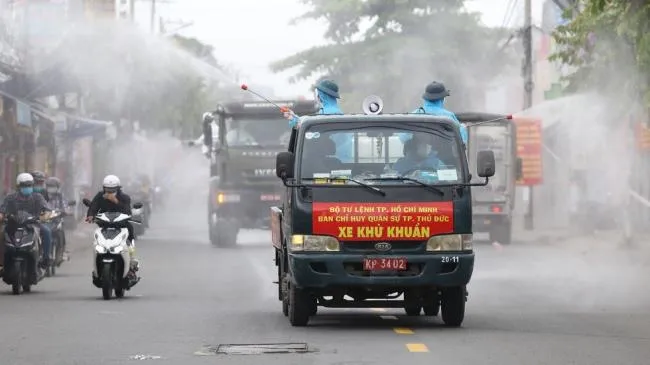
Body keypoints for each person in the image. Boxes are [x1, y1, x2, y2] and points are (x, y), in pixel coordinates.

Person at [284, 79, 353, 162]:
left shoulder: (326, 113)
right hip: (344, 162)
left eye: (318, 94)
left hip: (331, 162)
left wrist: (295, 120)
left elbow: (312, 132)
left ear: (322, 95)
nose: (317, 97)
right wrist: (294, 118)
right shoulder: (338, 112)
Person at [85, 175, 139, 273]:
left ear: (118, 188)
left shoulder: (124, 197)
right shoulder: (100, 196)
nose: (109, 191)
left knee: (130, 229)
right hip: (104, 224)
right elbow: (93, 206)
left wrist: (115, 201)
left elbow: (127, 211)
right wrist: (91, 215)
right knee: (96, 237)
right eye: (107, 189)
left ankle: (132, 256)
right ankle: (98, 261)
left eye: (112, 189)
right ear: (104, 188)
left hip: (121, 224)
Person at [0, 173, 54, 270]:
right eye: (24, 185)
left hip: (33, 224)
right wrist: (2, 216)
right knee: (2, 233)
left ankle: (46, 258)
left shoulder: (38, 197)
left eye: (29, 185)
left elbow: (47, 209)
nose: (27, 188)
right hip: (13, 225)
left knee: (47, 231)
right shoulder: (10, 198)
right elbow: (2, 210)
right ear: (18, 186)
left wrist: (45, 215)